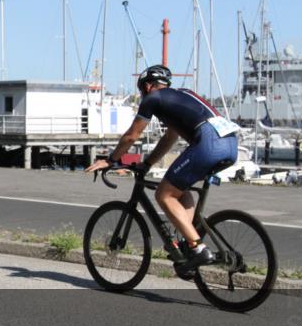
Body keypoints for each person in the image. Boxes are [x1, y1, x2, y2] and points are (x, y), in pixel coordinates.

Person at [86, 65, 239, 274]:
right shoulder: (182, 95)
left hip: (209, 145)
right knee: (179, 191)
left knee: (164, 195)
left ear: (148, 86)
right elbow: (170, 138)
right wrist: (147, 163)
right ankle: (189, 243)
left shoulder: (153, 99)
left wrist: (111, 160)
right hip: (230, 144)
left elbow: (132, 135)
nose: (142, 95)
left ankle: (198, 247)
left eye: (141, 90)